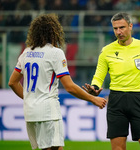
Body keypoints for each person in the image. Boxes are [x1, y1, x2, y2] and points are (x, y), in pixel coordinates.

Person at [8, 13, 107, 150]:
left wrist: (30, 99)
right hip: (48, 112)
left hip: (30, 111)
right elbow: (70, 87)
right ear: (54, 31)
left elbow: (12, 82)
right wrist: (93, 99)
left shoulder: (26, 53)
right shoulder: (55, 53)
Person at [82, 12, 140, 150]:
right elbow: (98, 76)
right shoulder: (106, 51)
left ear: (131, 26)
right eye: (115, 28)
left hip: (139, 100)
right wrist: (94, 87)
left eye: (122, 27)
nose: (118, 32)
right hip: (116, 101)